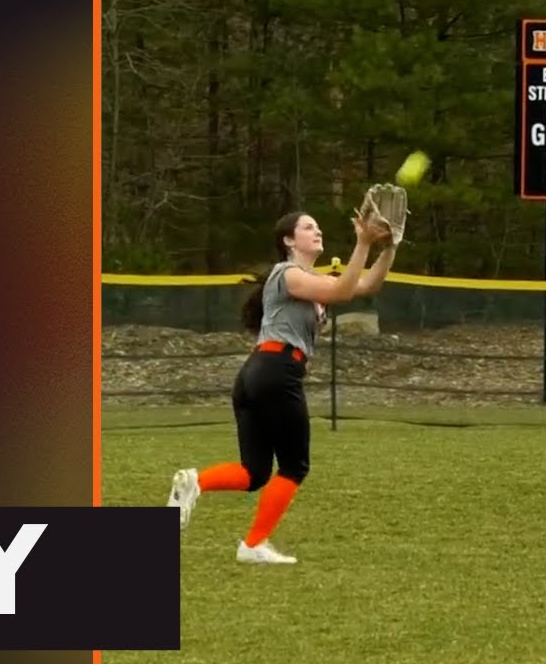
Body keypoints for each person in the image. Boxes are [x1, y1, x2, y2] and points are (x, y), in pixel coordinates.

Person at [165, 209, 399, 564]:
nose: (317, 230)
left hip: (257, 374)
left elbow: (367, 286)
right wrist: (363, 242)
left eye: (318, 226)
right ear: (289, 240)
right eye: (308, 227)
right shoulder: (287, 272)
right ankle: (253, 545)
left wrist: (390, 247)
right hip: (276, 371)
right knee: (294, 466)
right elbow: (342, 289)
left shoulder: (308, 278)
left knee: (254, 472)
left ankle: (195, 481)